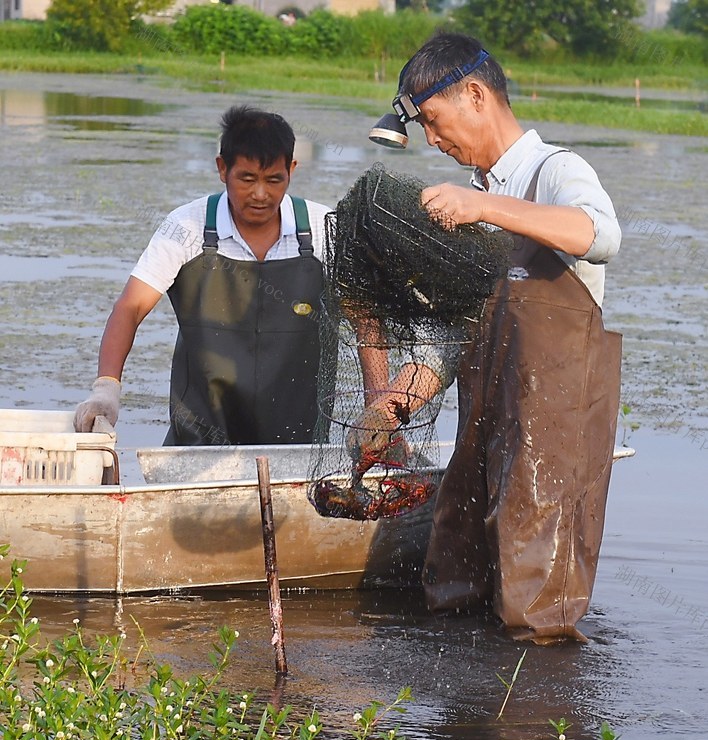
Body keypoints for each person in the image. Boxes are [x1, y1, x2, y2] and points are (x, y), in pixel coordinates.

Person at [365, 32, 623, 643]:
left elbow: (601, 233)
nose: (433, 139)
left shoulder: (555, 170)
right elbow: (453, 335)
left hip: (552, 439)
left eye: (433, 121)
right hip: (485, 431)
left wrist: (485, 210)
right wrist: (393, 405)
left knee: (536, 616)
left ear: (476, 96)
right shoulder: (475, 196)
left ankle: (536, 731)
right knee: (454, 579)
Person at [74, 105, 330, 446]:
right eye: (247, 178)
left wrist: (379, 405)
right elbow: (130, 308)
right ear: (222, 169)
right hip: (199, 439)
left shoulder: (323, 230)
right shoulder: (186, 227)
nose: (260, 194)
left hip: (301, 442)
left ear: (292, 170)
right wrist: (106, 387)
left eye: (274, 180)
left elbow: (366, 321)